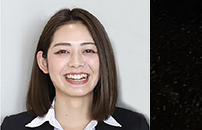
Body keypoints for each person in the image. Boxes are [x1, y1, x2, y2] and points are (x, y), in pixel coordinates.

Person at [0, 8, 149, 130]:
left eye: (88, 50)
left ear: (104, 60)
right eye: (63, 51)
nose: (76, 63)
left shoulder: (136, 125)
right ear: (43, 62)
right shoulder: (12, 127)